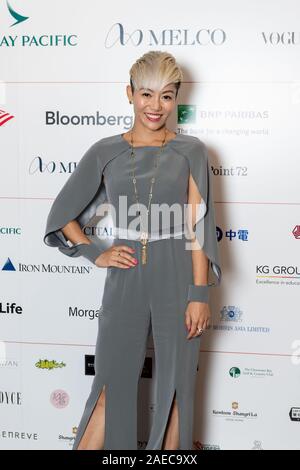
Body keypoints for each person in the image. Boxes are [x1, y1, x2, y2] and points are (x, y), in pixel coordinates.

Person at [43, 50, 222, 450]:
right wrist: (95, 252)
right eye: (146, 94)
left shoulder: (191, 151)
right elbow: (63, 216)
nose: (155, 106)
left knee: (178, 390)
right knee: (110, 384)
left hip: (178, 272)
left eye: (166, 96)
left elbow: (197, 227)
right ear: (129, 94)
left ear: (177, 99)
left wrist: (199, 294)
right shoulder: (105, 151)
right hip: (125, 274)